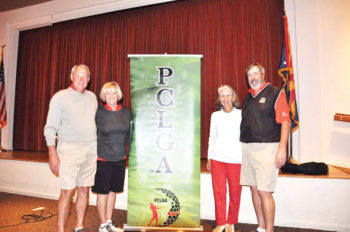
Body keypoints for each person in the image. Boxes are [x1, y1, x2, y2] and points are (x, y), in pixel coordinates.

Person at [44, 64, 98, 232]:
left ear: (89, 79)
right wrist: (52, 152)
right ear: (71, 77)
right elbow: (50, 127)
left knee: (84, 189)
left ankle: (79, 226)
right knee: (67, 191)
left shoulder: (92, 97)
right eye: (79, 76)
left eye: (85, 77)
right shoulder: (60, 97)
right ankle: (61, 229)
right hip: (68, 149)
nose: (82, 80)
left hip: (90, 148)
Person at [240, 63, 291, 232]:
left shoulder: (276, 93)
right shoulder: (248, 98)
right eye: (249, 75)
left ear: (262, 74)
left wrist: (282, 148)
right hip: (247, 148)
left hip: (267, 148)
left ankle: (269, 230)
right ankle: (261, 227)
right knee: (254, 190)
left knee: (264, 192)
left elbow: (285, 121)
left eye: (255, 74)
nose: (252, 78)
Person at [92, 82, 132, 232]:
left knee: (113, 191)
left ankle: (109, 221)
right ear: (104, 96)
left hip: (120, 158)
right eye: (107, 93)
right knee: (103, 192)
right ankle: (102, 225)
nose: (110, 96)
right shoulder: (99, 113)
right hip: (103, 159)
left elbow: (130, 135)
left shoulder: (127, 112)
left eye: (113, 93)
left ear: (118, 95)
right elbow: (92, 133)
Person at [207, 85, 242, 232]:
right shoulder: (215, 116)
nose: (226, 99)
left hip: (236, 159)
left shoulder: (241, 114)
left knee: (235, 193)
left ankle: (231, 222)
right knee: (219, 192)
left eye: (228, 95)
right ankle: (221, 222)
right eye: (223, 96)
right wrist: (209, 157)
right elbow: (212, 137)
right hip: (217, 159)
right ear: (219, 99)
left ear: (233, 97)